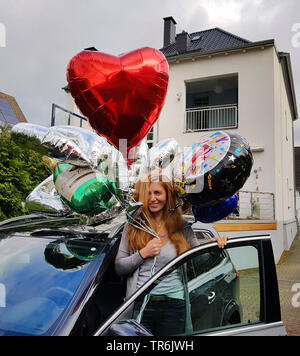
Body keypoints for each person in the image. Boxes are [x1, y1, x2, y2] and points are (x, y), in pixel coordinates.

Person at [115, 172, 228, 335]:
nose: (153, 198)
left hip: (174, 304)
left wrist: (214, 249)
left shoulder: (183, 227)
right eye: (148, 194)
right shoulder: (133, 226)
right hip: (140, 303)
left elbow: (197, 261)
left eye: (158, 193)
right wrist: (142, 253)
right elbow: (119, 267)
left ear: (167, 196)